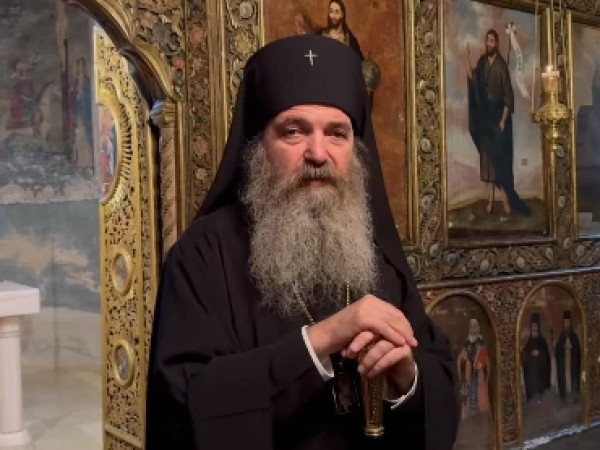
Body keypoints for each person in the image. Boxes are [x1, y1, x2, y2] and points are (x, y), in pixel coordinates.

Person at [146, 34, 458, 449]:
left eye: (337, 134)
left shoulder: (373, 254)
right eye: (294, 132)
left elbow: (440, 383)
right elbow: (182, 402)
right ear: (259, 146)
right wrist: (321, 340)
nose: (318, 153)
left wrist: (406, 377)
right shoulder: (203, 254)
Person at [467, 29, 531, 219]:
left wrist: (503, 121)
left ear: (497, 44)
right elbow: (474, 80)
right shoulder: (481, 63)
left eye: (492, 40)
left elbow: (508, 97)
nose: (489, 43)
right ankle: (490, 199)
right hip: (485, 117)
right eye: (487, 40)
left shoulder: (502, 66)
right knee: (487, 159)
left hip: (498, 118)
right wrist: (467, 59)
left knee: (501, 161)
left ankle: (505, 200)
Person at [457, 318, 491, 419]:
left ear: (478, 328)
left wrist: (481, 364)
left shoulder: (481, 342)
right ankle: (470, 414)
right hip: (468, 372)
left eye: (474, 326)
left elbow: (485, 357)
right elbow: (461, 357)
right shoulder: (466, 343)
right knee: (469, 393)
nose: (473, 328)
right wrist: (463, 358)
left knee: (479, 394)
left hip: (478, 372)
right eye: (471, 326)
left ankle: (480, 414)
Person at [521, 312, 551, 402]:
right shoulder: (529, 342)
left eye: (535, 326)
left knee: (540, 395)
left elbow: (547, 357)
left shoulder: (542, 341)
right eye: (533, 326)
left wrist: (540, 354)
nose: (534, 328)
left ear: (538, 327)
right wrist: (529, 354)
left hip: (540, 374)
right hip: (531, 376)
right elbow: (524, 354)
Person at [555, 310, 581, 404]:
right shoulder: (562, 336)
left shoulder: (574, 337)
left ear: (570, 323)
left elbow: (577, 351)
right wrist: (562, 347)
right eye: (565, 322)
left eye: (568, 322)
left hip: (572, 365)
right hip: (564, 366)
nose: (566, 324)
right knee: (564, 380)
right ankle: (564, 399)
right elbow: (558, 349)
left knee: (573, 381)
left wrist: (571, 348)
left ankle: (574, 399)